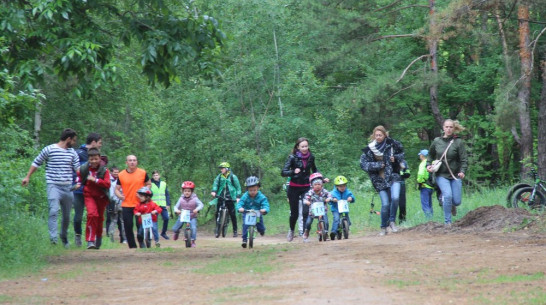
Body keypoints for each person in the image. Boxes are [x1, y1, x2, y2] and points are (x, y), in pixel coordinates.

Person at [21, 128, 80, 247]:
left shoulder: (72, 152)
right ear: (68, 139)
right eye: (73, 140)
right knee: (53, 211)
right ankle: (53, 239)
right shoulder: (49, 149)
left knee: (67, 215)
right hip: (53, 185)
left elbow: (77, 169)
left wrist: (81, 180)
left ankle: (63, 236)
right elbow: (36, 162)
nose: (74, 143)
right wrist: (27, 177)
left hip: (68, 187)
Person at [281, 137, 329, 242]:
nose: (304, 148)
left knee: (306, 211)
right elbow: (283, 172)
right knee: (294, 213)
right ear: (298, 147)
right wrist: (293, 171)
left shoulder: (311, 157)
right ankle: (292, 230)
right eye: (302, 146)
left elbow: (315, 170)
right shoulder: (292, 158)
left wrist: (321, 178)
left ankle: (304, 234)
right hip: (293, 187)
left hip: (306, 187)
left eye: (306, 146)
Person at [360, 125, 405, 236]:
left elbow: (402, 154)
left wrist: (396, 159)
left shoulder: (392, 144)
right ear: (373, 136)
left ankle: (392, 221)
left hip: (393, 176)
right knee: (385, 204)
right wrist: (378, 165)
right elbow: (364, 164)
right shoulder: (370, 149)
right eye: (376, 135)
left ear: (385, 135)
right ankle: (383, 227)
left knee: (395, 198)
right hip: (379, 180)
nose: (378, 137)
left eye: (380, 135)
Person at [427, 119, 468, 227]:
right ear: (443, 128)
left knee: (457, 201)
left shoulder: (458, 142)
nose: (449, 129)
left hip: (455, 175)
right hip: (441, 175)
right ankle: (447, 222)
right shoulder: (437, 141)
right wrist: (428, 165)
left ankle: (447, 202)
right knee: (448, 195)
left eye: (451, 127)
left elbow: (464, 159)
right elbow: (430, 155)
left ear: (454, 129)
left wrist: (462, 171)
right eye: (447, 127)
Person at [72, 133, 103, 247]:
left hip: (94, 191)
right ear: (93, 142)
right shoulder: (78, 153)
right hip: (80, 191)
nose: (101, 145)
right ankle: (78, 235)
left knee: (94, 215)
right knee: (78, 216)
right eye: (100, 143)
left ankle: (92, 238)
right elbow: (75, 170)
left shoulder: (98, 156)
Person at [76, 148, 111, 249]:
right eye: (91, 159)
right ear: (88, 159)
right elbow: (79, 177)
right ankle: (90, 240)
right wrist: (78, 183)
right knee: (92, 214)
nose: (94, 161)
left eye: (96, 159)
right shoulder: (84, 168)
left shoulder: (105, 170)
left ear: (100, 159)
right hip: (89, 195)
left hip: (101, 197)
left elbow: (107, 184)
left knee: (99, 219)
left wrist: (95, 180)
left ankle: (98, 237)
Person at [115, 155, 151, 248]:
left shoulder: (142, 173)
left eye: (134, 160)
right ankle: (132, 246)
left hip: (140, 203)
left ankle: (141, 241)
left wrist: (144, 193)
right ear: (126, 162)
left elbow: (149, 184)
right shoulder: (121, 174)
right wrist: (119, 195)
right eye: (130, 160)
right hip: (127, 204)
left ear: (137, 162)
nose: (132, 162)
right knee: (128, 226)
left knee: (140, 225)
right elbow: (116, 189)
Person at [236, 176, 270, 248]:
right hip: (247, 212)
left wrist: (264, 209)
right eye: (250, 190)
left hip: (257, 213)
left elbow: (265, 204)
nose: (252, 192)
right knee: (245, 226)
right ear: (247, 190)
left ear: (258, 188)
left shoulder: (261, 196)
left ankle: (262, 230)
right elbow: (240, 203)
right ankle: (244, 240)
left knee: (260, 226)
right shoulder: (245, 196)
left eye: (254, 190)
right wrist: (240, 208)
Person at [211, 162, 242, 237]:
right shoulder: (219, 177)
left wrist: (238, 197)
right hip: (221, 197)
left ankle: (235, 231)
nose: (221, 170)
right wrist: (214, 191)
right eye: (221, 168)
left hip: (231, 197)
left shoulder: (233, 177)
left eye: (222, 168)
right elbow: (215, 184)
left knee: (232, 214)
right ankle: (217, 228)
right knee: (217, 212)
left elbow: (238, 187)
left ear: (227, 169)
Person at [172, 181, 203, 248]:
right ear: (183, 191)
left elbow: (201, 204)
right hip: (183, 216)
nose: (187, 192)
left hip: (192, 216)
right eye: (185, 191)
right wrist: (177, 210)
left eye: (189, 191)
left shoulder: (195, 199)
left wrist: (197, 209)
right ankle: (176, 233)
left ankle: (193, 241)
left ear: (192, 192)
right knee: (175, 228)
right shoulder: (181, 199)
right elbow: (175, 206)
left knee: (193, 228)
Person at [302, 173, 332, 242]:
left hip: (322, 211)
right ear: (312, 186)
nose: (317, 186)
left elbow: (329, 195)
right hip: (312, 211)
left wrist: (328, 199)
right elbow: (305, 199)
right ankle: (306, 231)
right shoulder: (310, 192)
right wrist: (307, 202)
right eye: (315, 185)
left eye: (319, 184)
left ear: (321, 185)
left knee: (326, 222)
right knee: (308, 222)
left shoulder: (324, 191)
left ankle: (326, 234)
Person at [329, 175, 355, 241]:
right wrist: (333, 199)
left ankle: (346, 229)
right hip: (336, 209)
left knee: (347, 219)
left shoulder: (347, 191)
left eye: (344, 186)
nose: (342, 187)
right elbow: (329, 198)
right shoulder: (333, 192)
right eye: (340, 186)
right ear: (336, 186)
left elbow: (352, 196)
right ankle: (333, 232)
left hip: (344, 209)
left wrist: (351, 198)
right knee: (336, 219)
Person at [106, 166, 126, 243]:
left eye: (117, 172)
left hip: (120, 203)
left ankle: (122, 238)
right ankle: (112, 238)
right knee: (114, 220)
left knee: (120, 221)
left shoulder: (119, 181)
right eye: (115, 172)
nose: (116, 174)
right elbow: (110, 194)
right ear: (111, 172)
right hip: (114, 203)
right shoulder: (110, 181)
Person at [150, 170, 171, 240]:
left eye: (157, 175)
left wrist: (168, 203)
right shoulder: (150, 184)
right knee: (154, 221)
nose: (156, 177)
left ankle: (163, 232)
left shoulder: (163, 183)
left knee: (166, 218)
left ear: (159, 176)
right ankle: (155, 236)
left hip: (162, 204)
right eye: (154, 175)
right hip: (154, 205)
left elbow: (167, 194)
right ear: (152, 176)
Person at [417, 149, 434, 219]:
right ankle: (432, 219)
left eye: (420, 155)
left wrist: (419, 181)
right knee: (430, 204)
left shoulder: (423, 163)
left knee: (425, 204)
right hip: (432, 186)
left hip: (424, 186)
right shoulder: (432, 162)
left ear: (422, 155)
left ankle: (428, 220)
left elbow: (420, 174)